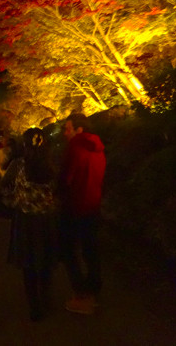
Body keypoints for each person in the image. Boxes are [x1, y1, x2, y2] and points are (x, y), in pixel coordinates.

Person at [1, 128, 58, 321]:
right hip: (47, 219)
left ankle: (34, 307)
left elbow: (4, 186)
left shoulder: (18, 165)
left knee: (29, 263)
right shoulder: (51, 164)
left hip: (25, 219)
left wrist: (13, 201)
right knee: (46, 260)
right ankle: (47, 298)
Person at [60, 113, 106, 315]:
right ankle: (93, 291)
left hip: (74, 206)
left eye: (67, 128)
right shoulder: (99, 148)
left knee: (68, 250)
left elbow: (66, 177)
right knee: (91, 250)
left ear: (79, 129)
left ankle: (81, 294)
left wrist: (58, 192)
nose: (64, 133)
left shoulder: (75, 146)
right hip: (93, 205)